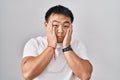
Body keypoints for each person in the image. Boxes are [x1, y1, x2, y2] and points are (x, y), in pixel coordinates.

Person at [21, 5, 93, 80]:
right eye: (55, 25)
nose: (60, 30)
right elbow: (27, 74)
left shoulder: (77, 45)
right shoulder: (35, 43)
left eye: (65, 26)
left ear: (71, 27)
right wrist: (51, 46)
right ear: (46, 25)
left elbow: (85, 75)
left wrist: (66, 47)